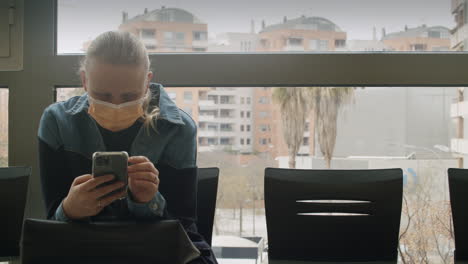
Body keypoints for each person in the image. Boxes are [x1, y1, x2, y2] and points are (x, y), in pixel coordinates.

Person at [38, 31, 217, 264]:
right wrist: (70, 209)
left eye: (129, 96)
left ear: (147, 83)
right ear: (84, 81)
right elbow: (52, 219)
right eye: (102, 95)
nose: (116, 105)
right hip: (82, 244)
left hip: (152, 244)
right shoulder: (56, 122)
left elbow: (182, 226)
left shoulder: (178, 127)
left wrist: (149, 202)